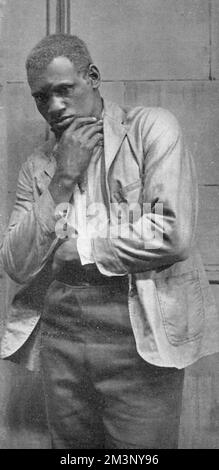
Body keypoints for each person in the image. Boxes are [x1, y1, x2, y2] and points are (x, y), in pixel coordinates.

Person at [0, 33, 218, 449]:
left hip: (139, 339)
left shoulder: (151, 128)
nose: (54, 107)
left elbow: (173, 233)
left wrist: (79, 249)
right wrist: (63, 176)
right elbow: (16, 261)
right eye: (41, 97)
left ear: (94, 77)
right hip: (61, 342)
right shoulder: (39, 165)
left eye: (64, 90)